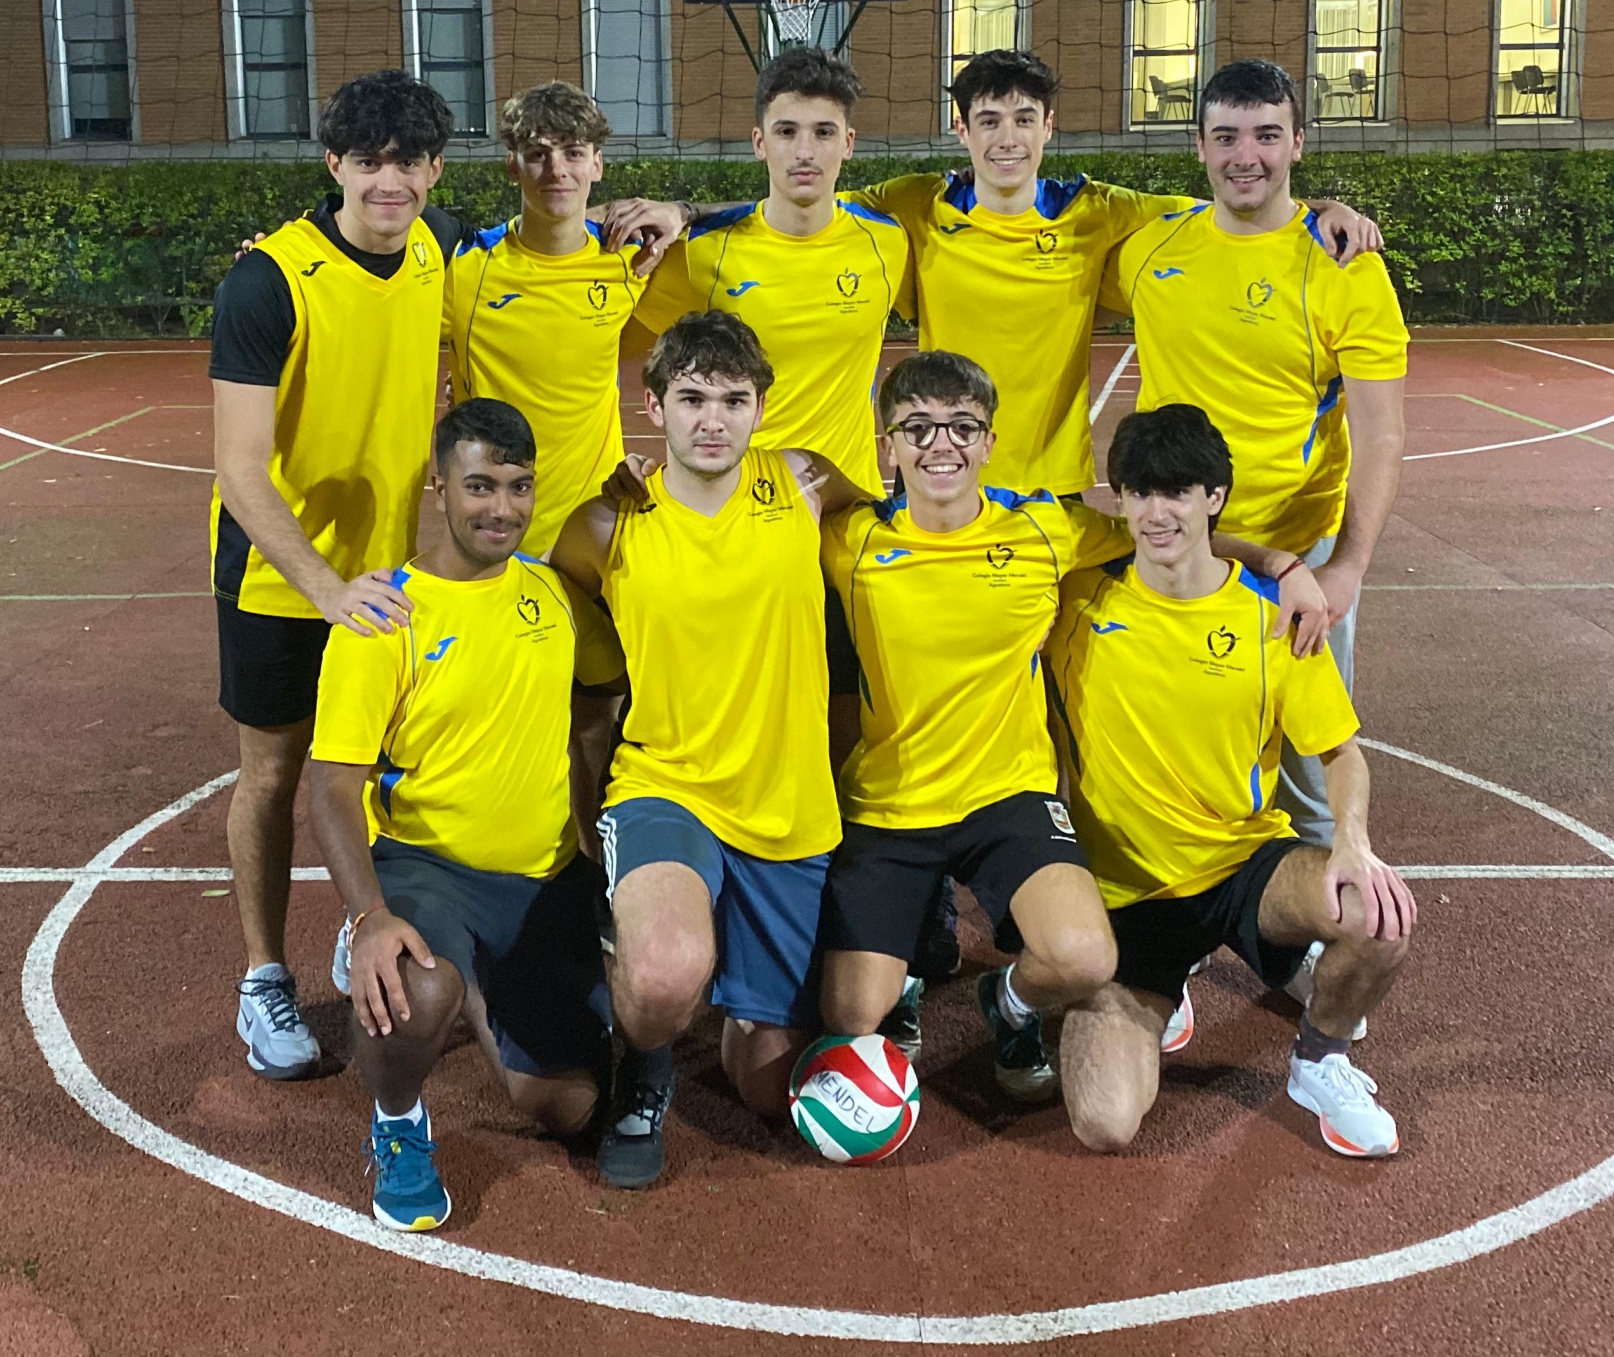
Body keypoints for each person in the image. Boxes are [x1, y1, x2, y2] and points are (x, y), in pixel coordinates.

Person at [815, 350, 1333, 1096]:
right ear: (888, 444)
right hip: (891, 803)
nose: (941, 444)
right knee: (849, 1016)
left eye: (962, 426)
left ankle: (1009, 1004)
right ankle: (901, 976)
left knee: (1084, 957)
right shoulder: (850, 538)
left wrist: (1283, 565)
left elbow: (1170, 529)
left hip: (1008, 795)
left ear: (989, 443)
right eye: (918, 427)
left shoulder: (1044, 528)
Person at [606, 48, 1380, 496]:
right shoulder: (912, 209)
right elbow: (797, 201)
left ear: (1048, 127)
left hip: (1053, 490)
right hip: (935, 479)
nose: (1007, 138)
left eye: (1023, 119)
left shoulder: (1100, 211)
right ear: (961, 128)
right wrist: (682, 208)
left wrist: (1321, 207)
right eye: (988, 120)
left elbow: (1236, 201)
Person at [1051, 405, 1417, 1159]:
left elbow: (1341, 754)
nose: (1157, 512)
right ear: (1119, 499)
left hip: (1243, 866)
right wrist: (1283, 558)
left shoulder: (1273, 618)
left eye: (1177, 492)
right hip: (1126, 895)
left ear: (1214, 497)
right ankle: (1167, 982)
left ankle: (1319, 1063)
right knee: (1104, 1122)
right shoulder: (1075, 599)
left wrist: (1353, 843)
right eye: (1140, 492)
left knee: (1378, 916)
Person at [551, 311, 864, 1187]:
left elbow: (891, 525)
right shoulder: (606, 524)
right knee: (662, 978)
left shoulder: (805, 482)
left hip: (788, 803)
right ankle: (645, 1064)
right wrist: (594, 730)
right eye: (691, 399)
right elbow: (561, 616)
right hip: (666, 780)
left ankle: (715, 980)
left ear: (762, 406)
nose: (713, 420)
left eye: (733, 400)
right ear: (653, 405)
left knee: (769, 1086)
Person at [308, 398, 627, 1232]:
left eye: (520, 487)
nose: (503, 509)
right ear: (439, 486)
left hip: (541, 877)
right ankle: (399, 1122)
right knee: (412, 990)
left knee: (568, 1108)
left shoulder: (554, 596)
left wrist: (598, 836)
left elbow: (601, 702)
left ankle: (479, 981)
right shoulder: (385, 616)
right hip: (428, 864)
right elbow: (331, 786)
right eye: (480, 485)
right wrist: (369, 915)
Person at [206, 69, 464, 1082]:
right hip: (280, 581)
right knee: (274, 776)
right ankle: (262, 979)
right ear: (334, 165)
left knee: (389, 772)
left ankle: (368, 926)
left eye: (408, 163)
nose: (388, 181)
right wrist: (326, 590)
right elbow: (239, 470)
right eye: (368, 162)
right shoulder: (268, 281)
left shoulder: (438, 248)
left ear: (435, 171)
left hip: (387, 572)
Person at [1108, 58, 1409, 856]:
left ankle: (1317, 905)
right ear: (1199, 146)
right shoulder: (1151, 244)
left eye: (1268, 136)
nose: (1247, 156)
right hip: (1172, 548)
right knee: (1171, 758)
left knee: (1312, 774)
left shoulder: (1345, 267)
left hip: (1292, 559)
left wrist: (1347, 567)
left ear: (1298, 143)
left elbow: (1382, 434)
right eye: (1227, 137)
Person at [628, 47, 910, 500]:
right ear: (760, 143)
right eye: (786, 132)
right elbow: (602, 340)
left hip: (848, 507)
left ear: (848, 143)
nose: (804, 151)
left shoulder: (888, 241)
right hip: (743, 509)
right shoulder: (701, 251)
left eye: (824, 132)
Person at [444, 83, 649, 554]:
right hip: (494, 534)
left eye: (574, 153)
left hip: (596, 531)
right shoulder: (466, 267)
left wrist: (682, 210)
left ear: (597, 164)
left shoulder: (635, 260)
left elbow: (761, 223)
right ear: (512, 166)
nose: (557, 170)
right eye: (538, 154)